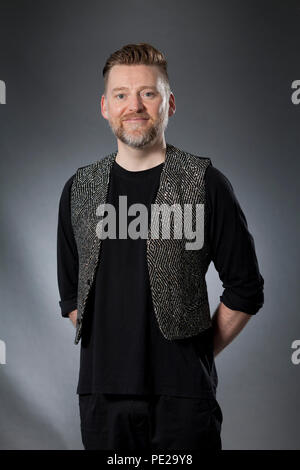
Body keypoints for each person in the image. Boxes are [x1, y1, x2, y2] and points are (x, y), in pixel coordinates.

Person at [56, 43, 264, 451]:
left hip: (184, 402)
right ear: (105, 106)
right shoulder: (78, 189)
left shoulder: (206, 183)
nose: (134, 105)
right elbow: (72, 299)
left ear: (169, 102)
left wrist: (195, 355)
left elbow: (245, 290)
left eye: (148, 93)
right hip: (102, 401)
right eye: (121, 95)